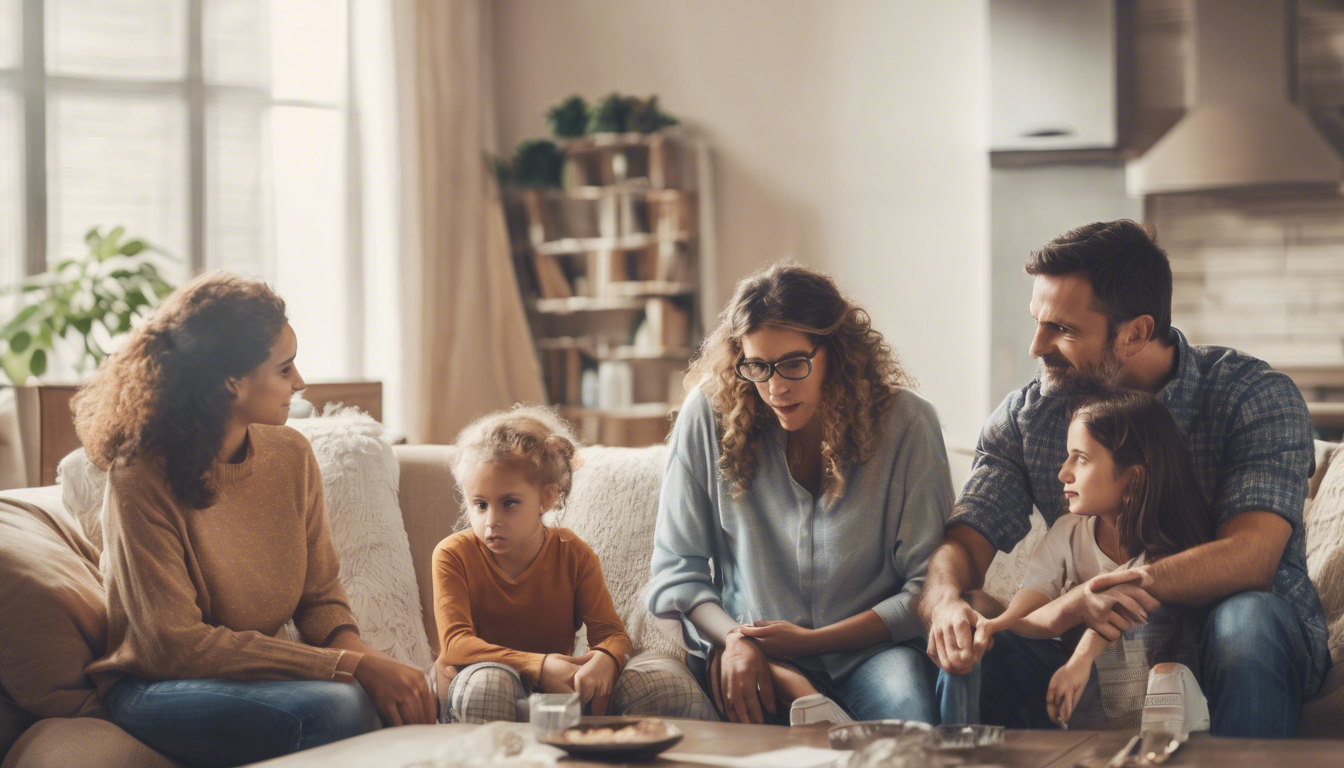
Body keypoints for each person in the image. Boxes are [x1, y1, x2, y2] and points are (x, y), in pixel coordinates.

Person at [918, 220, 1329, 737]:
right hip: (1092, 657)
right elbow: (964, 541)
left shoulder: (1251, 396)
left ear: (1135, 332)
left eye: (1063, 330)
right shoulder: (1029, 417)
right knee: (975, 636)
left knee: (1246, 621)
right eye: (1037, 322)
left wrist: (1097, 594)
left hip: (1231, 636)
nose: (1035, 347)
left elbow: (1251, 556)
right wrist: (945, 603)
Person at [79, 272, 434, 768]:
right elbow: (174, 645)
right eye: (285, 368)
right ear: (231, 380)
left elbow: (320, 599)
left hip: (261, 679)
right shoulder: (140, 477)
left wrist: (370, 663)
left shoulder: (291, 453)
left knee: (372, 698)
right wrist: (348, 667)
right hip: (158, 687)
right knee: (337, 707)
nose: (301, 381)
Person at [649, 262, 975, 726]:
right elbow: (675, 572)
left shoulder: (908, 425)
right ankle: (798, 693)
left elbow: (925, 589)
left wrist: (812, 642)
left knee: (911, 728)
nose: (775, 387)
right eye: (757, 366)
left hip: (870, 653)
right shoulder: (708, 415)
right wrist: (735, 639)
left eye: (793, 364)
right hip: (753, 653)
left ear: (837, 353)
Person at [433, 406, 716, 723]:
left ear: (547, 498)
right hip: (476, 686)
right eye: (480, 505)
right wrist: (541, 665)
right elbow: (457, 646)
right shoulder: (453, 554)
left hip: (549, 692)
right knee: (491, 683)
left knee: (664, 684)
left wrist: (606, 659)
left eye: (509, 503)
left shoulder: (572, 554)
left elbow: (612, 635)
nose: (491, 521)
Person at [973, 391, 1210, 728]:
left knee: (1152, 607)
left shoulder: (1172, 547)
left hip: (1164, 697)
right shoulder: (1069, 533)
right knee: (1000, 646)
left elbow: (1121, 598)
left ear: (1133, 477)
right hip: (1090, 703)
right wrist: (995, 620)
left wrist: (1081, 656)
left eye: (1081, 458)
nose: (1063, 473)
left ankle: (1164, 735)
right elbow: (1028, 619)